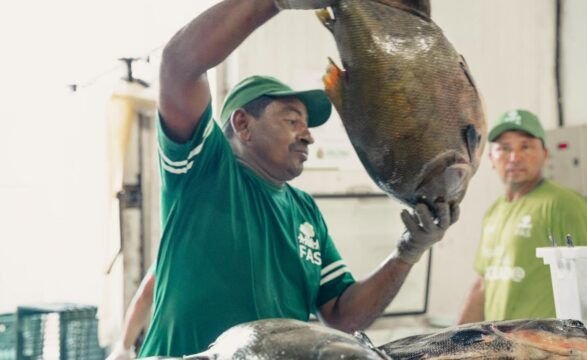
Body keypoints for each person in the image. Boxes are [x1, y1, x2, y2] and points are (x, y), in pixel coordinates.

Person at [107, 0, 459, 358]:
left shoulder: (304, 210)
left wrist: (407, 252)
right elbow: (180, 65)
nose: (308, 135)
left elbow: (342, 314)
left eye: (306, 125)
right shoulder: (205, 170)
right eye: (292, 120)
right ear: (242, 125)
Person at [457, 109, 587, 324]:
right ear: (490, 159)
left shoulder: (564, 205)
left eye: (526, 146)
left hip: (549, 349)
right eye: (505, 149)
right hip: (502, 348)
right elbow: (482, 285)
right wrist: (450, 344)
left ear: (545, 154)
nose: (515, 157)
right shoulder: (494, 212)